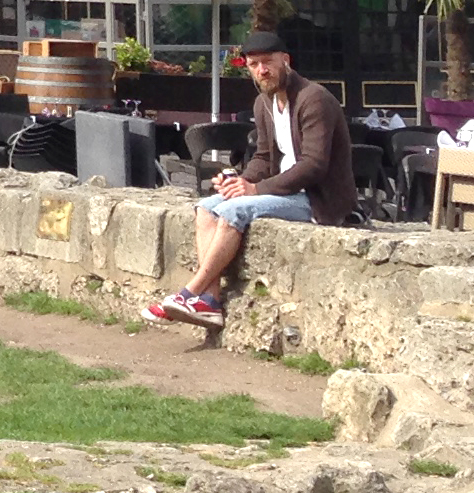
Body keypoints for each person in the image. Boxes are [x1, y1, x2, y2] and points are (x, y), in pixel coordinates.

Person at [147, 31, 356, 329]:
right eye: (254, 65)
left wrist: (255, 189)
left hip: (318, 199)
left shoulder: (314, 99)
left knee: (234, 211)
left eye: (268, 62)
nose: (262, 71)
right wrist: (239, 181)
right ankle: (209, 301)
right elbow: (263, 157)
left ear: (286, 60)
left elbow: (314, 165)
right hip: (283, 192)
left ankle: (190, 292)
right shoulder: (264, 103)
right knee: (207, 207)